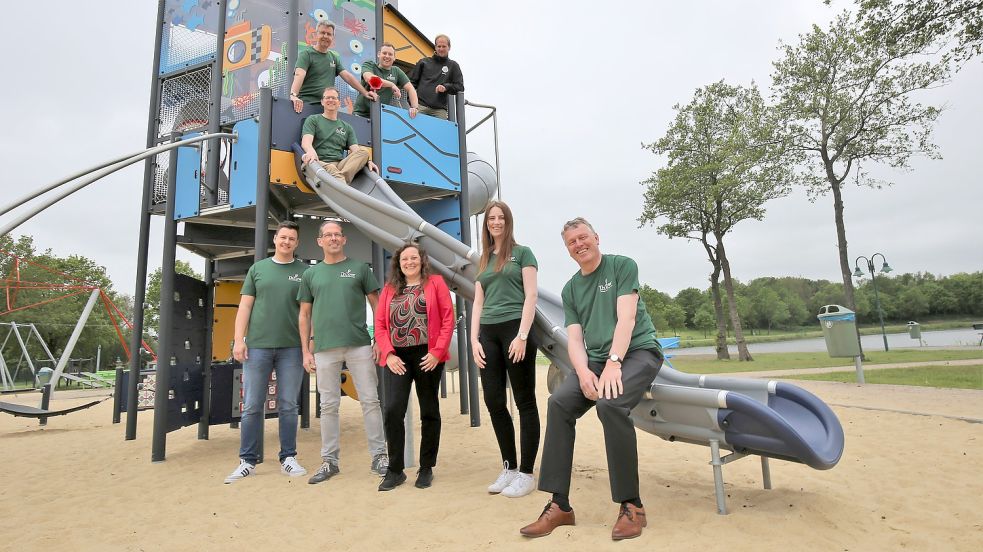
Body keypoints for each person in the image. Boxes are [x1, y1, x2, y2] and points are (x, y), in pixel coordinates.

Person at [519, 217, 664, 541]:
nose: (579, 244)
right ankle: (560, 506)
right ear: (568, 249)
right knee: (559, 403)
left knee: (610, 406)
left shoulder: (622, 266)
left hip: (639, 351)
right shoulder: (571, 289)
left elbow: (626, 318)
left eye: (583, 237)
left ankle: (632, 506)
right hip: (596, 360)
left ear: (596, 238)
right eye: (572, 242)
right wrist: (583, 372)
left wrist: (614, 363)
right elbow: (574, 340)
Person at [298, 220, 388, 484]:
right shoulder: (310, 275)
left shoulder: (360, 268)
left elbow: (377, 305)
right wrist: (306, 350)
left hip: (359, 344)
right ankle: (329, 461)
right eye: (328, 235)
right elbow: (304, 314)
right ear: (320, 241)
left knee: (371, 401)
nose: (334, 238)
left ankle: (379, 456)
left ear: (344, 240)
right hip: (324, 349)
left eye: (338, 234)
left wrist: (380, 340)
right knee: (328, 406)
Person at [224, 221, 309, 484]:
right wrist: (239, 340)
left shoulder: (305, 272)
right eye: (283, 237)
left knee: (288, 405)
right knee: (251, 406)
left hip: (292, 348)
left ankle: (288, 458)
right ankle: (247, 461)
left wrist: (309, 344)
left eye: (291, 239)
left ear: (296, 243)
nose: (286, 242)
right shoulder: (258, 269)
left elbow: (308, 312)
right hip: (258, 346)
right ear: (275, 239)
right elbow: (245, 308)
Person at [470, 201, 539, 498]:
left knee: (524, 402)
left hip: (516, 330)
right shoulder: (484, 259)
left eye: (501, 218)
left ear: (508, 222)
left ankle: (526, 473)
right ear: (486, 224)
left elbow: (532, 295)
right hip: (488, 332)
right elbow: (478, 302)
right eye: (491, 218)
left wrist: (522, 335)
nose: (496, 222)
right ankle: (509, 468)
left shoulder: (523, 253)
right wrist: (473, 339)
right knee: (494, 402)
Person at [373, 243, 455, 491]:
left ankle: (426, 467)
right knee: (392, 411)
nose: (409, 262)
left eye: (414, 258)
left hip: (427, 355)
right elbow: (380, 325)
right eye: (404, 259)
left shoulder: (436, 283)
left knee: (429, 411)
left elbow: (448, 318)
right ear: (398, 263)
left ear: (422, 260)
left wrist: (436, 352)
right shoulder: (389, 289)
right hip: (397, 357)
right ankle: (395, 470)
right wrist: (388, 354)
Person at [289, 20, 377, 112]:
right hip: (306, 105)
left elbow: (348, 77)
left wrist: (365, 93)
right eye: (323, 33)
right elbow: (299, 74)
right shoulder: (306, 54)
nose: (325, 36)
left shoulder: (333, 58)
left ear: (332, 37)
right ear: (316, 34)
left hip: (326, 108)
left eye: (329, 34)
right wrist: (293, 95)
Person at [301, 87, 379, 184]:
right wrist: (310, 151)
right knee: (331, 168)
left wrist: (368, 161)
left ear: (339, 103)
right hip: (318, 162)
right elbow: (306, 142)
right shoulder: (313, 119)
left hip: (339, 166)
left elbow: (356, 151)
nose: (330, 100)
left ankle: (340, 178)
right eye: (327, 97)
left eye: (334, 98)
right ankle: (341, 182)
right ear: (322, 101)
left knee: (364, 152)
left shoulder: (347, 127)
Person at [354, 42, 419, 119]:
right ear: (379, 54)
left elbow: (410, 88)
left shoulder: (396, 71)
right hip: (361, 114)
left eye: (390, 54)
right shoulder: (369, 64)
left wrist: (414, 108)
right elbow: (371, 79)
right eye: (384, 53)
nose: (387, 56)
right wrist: (391, 84)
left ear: (394, 58)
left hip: (380, 116)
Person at [409, 34, 464, 120]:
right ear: (435, 47)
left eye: (444, 46)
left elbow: (460, 87)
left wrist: (446, 87)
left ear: (449, 47)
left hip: (440, 111)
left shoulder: (453, 65)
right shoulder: (423, 62)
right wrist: (412, 104)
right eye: (439, 46)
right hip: (420, 106)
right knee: (414, 131)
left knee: (440, 133)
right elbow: (411, 84)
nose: (441, 49)